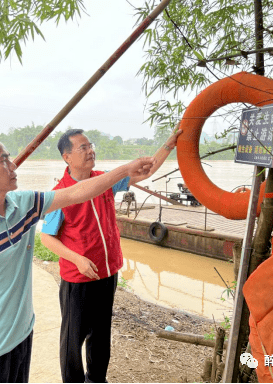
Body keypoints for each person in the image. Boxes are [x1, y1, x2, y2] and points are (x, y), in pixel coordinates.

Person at [0, 134, 157, 383]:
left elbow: (77, 193)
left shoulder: (24, 205)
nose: (13, 165)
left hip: (23, 335)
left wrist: (125, 170)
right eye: (4, 160)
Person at [40, 127, 182, 383]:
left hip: (107, 272)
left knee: (101, 332)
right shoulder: (61, 193)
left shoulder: (105, 180)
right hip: (78, 278)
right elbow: (46, 237)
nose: (90, 150)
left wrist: (168, 145)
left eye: (90, 145)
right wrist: (77, 259)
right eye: (82, 147)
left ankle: (96, 379)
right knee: (73, 339)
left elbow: (145, 171)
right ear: (66, 157)